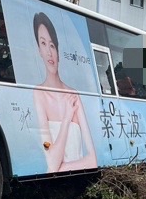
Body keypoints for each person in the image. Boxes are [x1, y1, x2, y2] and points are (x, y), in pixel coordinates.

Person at [32, 12, 97, 173]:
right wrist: (67, 117)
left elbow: (93, 160)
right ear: (39, 50)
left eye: (52, 45)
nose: (49, 52)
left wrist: (62, 167)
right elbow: (52, 164)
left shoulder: (73, 95)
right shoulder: (39, 94)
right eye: (43, 44)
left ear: (58, 50)